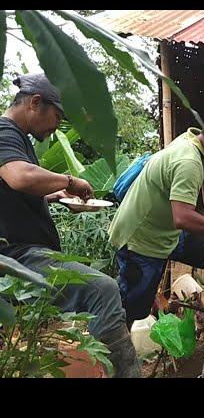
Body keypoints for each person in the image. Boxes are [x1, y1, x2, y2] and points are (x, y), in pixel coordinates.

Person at [0, 73, 140, 377]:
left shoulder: (15, 137)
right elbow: (19, 177)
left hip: (21, 252)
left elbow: (13, 193)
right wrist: (70, 180)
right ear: (36, 103)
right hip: (17, 257)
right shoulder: (4, 131)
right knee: (102, 290)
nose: (56, 127)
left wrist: (54, 195)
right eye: (57, 116)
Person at [108, 112, 204, 327]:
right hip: (141, 241)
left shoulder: (201, 151)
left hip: (168, 235)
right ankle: (115, 354)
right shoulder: (188, 161)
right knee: (132, 310)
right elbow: (183, 218)